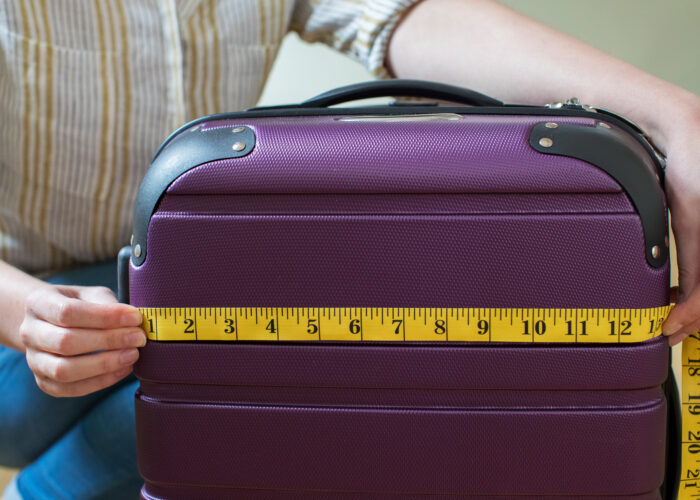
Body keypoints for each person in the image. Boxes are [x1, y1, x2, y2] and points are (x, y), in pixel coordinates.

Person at [0, 0, 698, 498]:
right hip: (18, 306)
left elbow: (406, 14)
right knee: (222, 393)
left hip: (155, 279)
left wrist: (678, 115)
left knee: (222, 382)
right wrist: (31, 309)